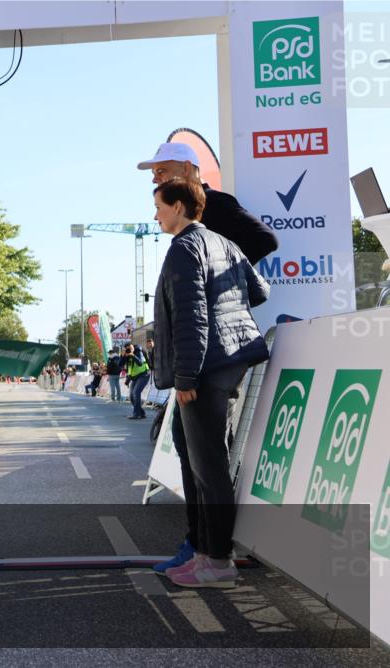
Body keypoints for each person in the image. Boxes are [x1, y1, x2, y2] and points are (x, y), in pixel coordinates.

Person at [151, 177, 269, 588]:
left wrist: (185, 377)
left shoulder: (184, 248)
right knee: (201, 459)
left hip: (205, 370)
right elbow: (260, 291)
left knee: (209, 468)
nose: (156, 215)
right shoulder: (225, 244)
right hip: (231, 362)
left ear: (181, 206)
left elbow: (193, 319)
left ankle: (217, 562)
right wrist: (228, 300)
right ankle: (205, 553)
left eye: (160, 207)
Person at [137, 143, 277, 264]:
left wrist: (223, 278)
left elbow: (265, 239)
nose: (155, 180)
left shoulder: (214, 201)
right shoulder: (189, 207)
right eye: (153, 173)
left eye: (161, 171)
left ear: (186, 168)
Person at [123, 343, 150, 419]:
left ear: (133, 347)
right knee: (131, 396)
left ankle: (136, 414)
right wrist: (123, 355)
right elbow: (125, 367)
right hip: (134, 377)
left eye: (130, 348)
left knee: (136, 392)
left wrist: (133, 355)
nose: (129, 350)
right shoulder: (127, 356)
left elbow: (140, 363)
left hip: (144, 375)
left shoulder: (139, 351)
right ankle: (141, 413)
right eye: (127, 349)